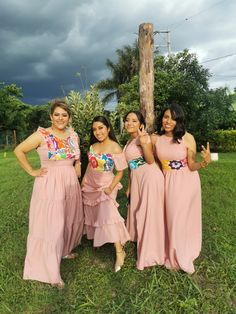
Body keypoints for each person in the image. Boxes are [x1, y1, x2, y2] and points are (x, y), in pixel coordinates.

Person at [14, 101, 84, 288]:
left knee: (69, 219)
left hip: (70, 183)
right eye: (57, 114)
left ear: (69, 117)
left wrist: (77, 166)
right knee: (52, 226)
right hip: (50, 185)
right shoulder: (42, 135)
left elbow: (77, 157)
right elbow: (19, 150)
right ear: (50, 116)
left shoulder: (73, 135)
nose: (61, 118)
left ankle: (65, 250)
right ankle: (50, 272)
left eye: (64, 115)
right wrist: (32, 171)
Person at [152, 103, 211, 274]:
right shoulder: (156, 138)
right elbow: (153, 159)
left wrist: (204, 163)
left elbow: (191, 165)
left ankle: (178, 257)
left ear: (179, 121)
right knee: (170, 217)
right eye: (166, 117)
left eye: (173, 118)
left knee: (178, 217)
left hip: (186, 180)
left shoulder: (187, 137)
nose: (168, 121)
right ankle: (173, 249)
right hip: (166, 180)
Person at [81, 116, 130, 272]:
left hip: (107, 185)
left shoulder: (115, 147)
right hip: (91, 184)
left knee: (109, 215)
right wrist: (83, 182)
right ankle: (100, 238)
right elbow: (90, 166)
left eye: (101, 128)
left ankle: (119, 251)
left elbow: (121, 172)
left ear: (108, 128)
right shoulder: (93, 146)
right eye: (95, 129)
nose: (97, 132)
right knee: (95, 213)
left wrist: (110, 187)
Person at [123, 110, 165, 270]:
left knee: (149, 213)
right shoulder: (129, 141)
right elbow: (130, 166)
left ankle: (150, 251)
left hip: (149, 177)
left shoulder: (142, 138)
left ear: (141, 125)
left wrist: (145, 142)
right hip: (137, 178)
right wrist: (129, 187)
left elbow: (149, 160)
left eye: (134, 121)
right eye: (127, 120)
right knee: (138, 209)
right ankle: (137, 237)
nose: (129, 123)